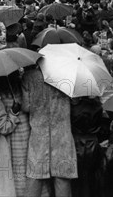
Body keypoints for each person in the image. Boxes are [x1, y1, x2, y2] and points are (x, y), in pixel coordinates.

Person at [22, 67, 78, 197]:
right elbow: (75, 101)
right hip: (62, 134)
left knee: (35, 175)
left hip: (39, 133)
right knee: (62, 176)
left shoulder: (29, 76)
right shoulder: (66, 74)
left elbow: (26, 106)